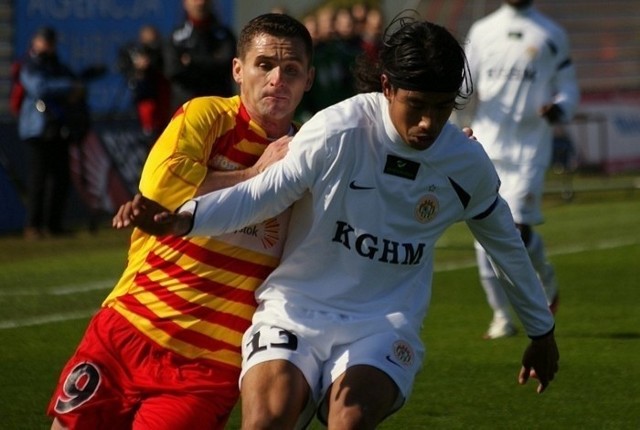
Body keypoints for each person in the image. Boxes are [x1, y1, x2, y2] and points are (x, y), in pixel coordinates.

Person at [123, 14, 559, 429]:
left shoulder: (465, 166)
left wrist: (541, 331)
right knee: (267, 420)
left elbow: (506, 246)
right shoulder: (337, 131)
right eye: (417, 105)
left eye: (443, 108)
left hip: (383, 322)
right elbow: (260, 195)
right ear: (387, 87)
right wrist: (182, 222)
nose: (429, 122)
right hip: (294, 310)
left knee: (348, 419)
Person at [47, 13, 315, 430]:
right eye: (265, 65)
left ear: (309, 79)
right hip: (129, 328)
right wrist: (254, 173)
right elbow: (160, 184)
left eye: (291, 69)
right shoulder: (208, 117)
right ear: (238, 70)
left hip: (207, 368)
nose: (278, 78)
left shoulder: (309, 156)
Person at [463, 0, 580, 339]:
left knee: (515, 231)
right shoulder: (482, 31)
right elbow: (463, 82)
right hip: (486, 146)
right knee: (483, 237)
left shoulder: (551, 33)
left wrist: (560, 107)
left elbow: (568, 85)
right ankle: (501, 317)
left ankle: (546, 278)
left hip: (530, 148)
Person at [18, 26, 86, 240]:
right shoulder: (30, 64)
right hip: (38, 128)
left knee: (61, 178)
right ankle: (33, 225)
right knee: (38, 178)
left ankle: (53, 224)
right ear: (35, 42)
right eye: (45, 41)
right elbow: (39, 87)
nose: (48, 45)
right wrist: (68, 87)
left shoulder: (57, 65)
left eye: (51, 41)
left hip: (58, 126)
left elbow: (76, 85)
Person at [164, 0, 237, 112]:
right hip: (186, 110)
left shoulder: (224, 36)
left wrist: (191, 62)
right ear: (185, 3)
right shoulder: (176, 38)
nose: (200, 3)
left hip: (220, 111)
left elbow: (226, 66)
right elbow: (173, 71)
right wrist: (211, 62)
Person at [118, 24, 171, 138]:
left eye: (154, 42)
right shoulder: (136, 61)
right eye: (147, 43)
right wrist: (139, 70)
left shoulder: (166, 54)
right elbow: (124, 69)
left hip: (166, 107)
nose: (150, 47)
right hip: (148, 109)